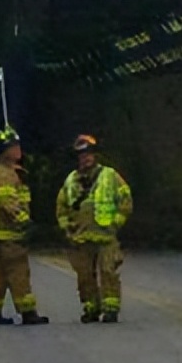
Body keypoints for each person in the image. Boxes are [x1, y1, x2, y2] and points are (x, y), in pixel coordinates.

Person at [56, 134, 133, 323]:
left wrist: (116, 222)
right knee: (84, 276)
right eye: (82, 155)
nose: (86, 158)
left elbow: (126, 200)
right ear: (77, 158)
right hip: (81, 237)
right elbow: (61, 208)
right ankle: (90, 308)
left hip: (106, 235)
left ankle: (111, 309)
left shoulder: (110, 176)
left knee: (108, 271)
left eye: (89, 154)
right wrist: (68, 229)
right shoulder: (71, 181)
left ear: (95, 155)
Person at [0, 126, 49, 326]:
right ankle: (28, 312)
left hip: (3, 235)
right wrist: (24, 222)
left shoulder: (9, 172)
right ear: (4, 151)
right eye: (14, 146)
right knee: (19, 272)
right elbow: (7, 202)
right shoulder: (4, 174)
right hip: (9, 234)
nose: (18, 149)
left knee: (1, 273)